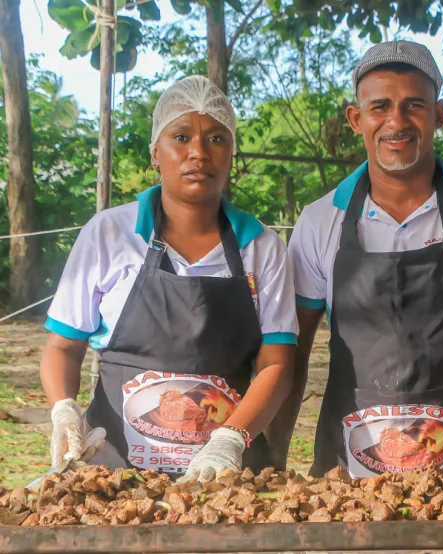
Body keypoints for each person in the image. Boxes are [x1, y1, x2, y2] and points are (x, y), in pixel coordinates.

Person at [273, 40, 443, 483]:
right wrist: (273, 468)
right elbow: (293, 352)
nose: (396, 122)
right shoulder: (320, 221)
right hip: (349, 472)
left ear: (438, 114)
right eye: (380, 106)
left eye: (413, 105)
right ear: (356, 119)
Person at [40, 76, 298, 482]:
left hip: (223, 477)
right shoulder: (109, 233)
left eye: (216, 139)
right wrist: (63, 410)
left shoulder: (262, 247)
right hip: (113, 468)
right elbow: (63, 348)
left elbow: (276, 365)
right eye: (181, 137)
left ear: (232, 153)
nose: (198, 153)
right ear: (155, 154)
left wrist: (229, 440)